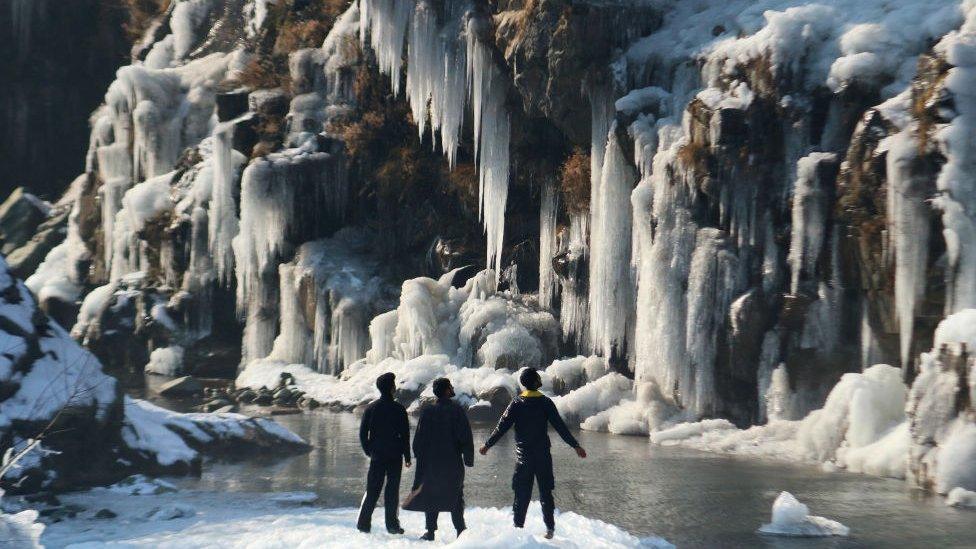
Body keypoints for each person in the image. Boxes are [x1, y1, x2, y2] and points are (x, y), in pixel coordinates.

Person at [479, 367, 586, 539]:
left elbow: (502, 427)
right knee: (546, 492)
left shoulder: (516, 403)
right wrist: (575, 445)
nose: (539, 378)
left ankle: (517, 528)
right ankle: (550, 529)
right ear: (535, 381)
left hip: (524, 457)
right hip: (543, 455)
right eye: (537, 377)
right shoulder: (545, 402)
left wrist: (487, 445)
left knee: (521, 493)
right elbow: (560, 427)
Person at [403, 378, 474, 541]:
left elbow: (419, 438)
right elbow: (465, 436)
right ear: (447, 391)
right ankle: (460, 530)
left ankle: (430, 532)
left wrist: (418, 456)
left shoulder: (428, 411)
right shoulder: (457, 410)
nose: (453, 388)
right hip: (452, 462)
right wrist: (468, 459)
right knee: (456, 495)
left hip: (432, 463)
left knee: (430, 494)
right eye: (450, 387)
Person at [356, 372, 411, 534]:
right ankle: (392, 525)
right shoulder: (399, 409)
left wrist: (369, 451)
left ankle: (363, 523)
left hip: (377, 456)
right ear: (392, 388)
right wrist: (407, 456)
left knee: (372, 490)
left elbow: (362, 434)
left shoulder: (371, 408)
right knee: (392, 491)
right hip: (395, 455)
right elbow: (405, 435)